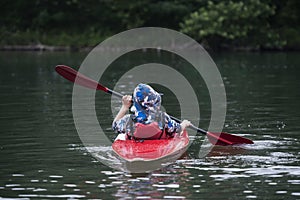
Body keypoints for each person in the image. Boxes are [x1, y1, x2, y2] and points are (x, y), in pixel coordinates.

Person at [112, 83, 191, 140]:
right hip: (160, 148)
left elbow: (115, 126)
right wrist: (184, 124)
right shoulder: (162, 117)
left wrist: (125, 106)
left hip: (137, 151)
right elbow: (177, 129)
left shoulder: (128, 120)